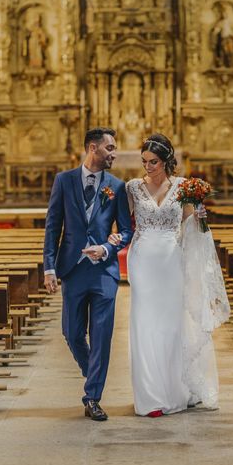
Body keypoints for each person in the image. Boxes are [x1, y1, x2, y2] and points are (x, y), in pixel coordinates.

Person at [108, 133, 230, 417]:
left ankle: (175, 390)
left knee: (172, 326)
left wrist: (199, 216)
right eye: (144, 161)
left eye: (153, 162)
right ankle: (150, 396)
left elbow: (190, 223)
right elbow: (123, 225)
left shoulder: (183, 188)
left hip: (171, 260)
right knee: (145, 325)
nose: (147, 167)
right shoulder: (132, 188)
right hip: (143, 261)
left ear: (166, 162)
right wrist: (110, 240)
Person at [43, 127, 133, 421]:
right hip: (72, 269)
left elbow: (126, 229)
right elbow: (53, 226)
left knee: (102, 335)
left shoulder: (117, 187)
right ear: (92, 148)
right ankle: (92, 373)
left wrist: (107, 248)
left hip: (104, 272)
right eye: (110, 148)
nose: (114, 154)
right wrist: (49, 267)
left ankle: (92, 396)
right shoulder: (64, 181)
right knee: (71, 333)